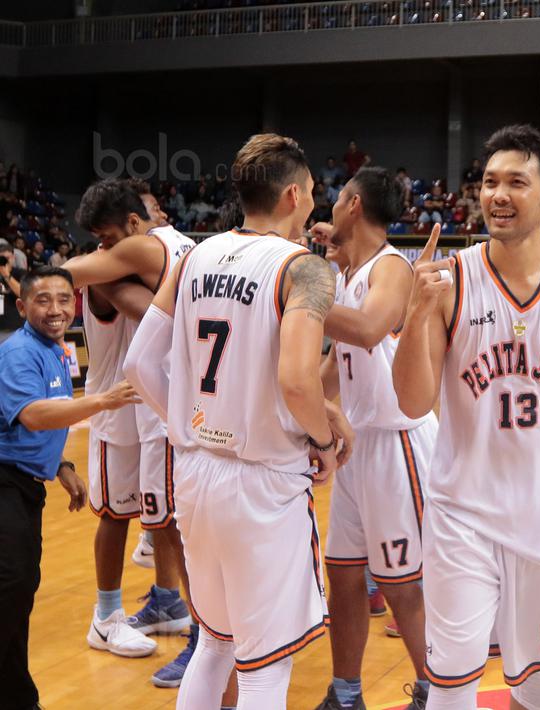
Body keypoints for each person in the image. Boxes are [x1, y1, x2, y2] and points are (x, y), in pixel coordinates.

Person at [124, 133, 353, 710]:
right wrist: (323, 440)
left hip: (197, 474)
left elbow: (137, 363)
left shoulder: (193, 257)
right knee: (264, 666)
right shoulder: (305, 269)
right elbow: (298, 380)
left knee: (215, 646)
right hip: (262, 483)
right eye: (311, 195)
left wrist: (182, 424)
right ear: (294, 194)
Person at [390, 124, 540, 710]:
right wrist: (416, 315)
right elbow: (412, 403)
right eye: (489, 182)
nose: (497, 194)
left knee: (539, 682)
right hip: (463, 512)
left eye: (517, 181)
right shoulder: (449, 282)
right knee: (454, 673)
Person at [308, 167, 438, 710]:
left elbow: (364, 330)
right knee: (343, 577)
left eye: (337, 200)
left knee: (404, 585)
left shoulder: (390, 268)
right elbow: (341, 364)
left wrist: (293, 285)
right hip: (357, 447)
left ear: (354, 204)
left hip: (399, 444)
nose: (331, 210)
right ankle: (346, 693)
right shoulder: (346, 273)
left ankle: (435, 690)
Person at [69, 179, 201, 680]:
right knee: (140, 520)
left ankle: (202, 637)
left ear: (136, 224)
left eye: (107, 238)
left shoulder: (142, 254)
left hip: (159, 409)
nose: (104, 248)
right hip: (122, 410)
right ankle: (134, 608)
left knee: (171, 523)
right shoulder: (173, 249)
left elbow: (158, 318)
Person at [0, 266, 140, 710]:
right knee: (10, 590)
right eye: (43, 301)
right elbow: (35, 415)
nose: (56, 309)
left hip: (24, 485)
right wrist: (102, 400)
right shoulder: (20, 352)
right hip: (4, 484)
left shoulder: (58, 349)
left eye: (64, 299)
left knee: (19, 591)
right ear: (22, 307)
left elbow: (41, 414)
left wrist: (60, 464)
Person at [0, 241, 27, 345]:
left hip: (16, 328)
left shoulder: (20, 273)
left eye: (8, 258)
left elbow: (23, 293)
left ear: (13, 258)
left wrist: (6, 275)